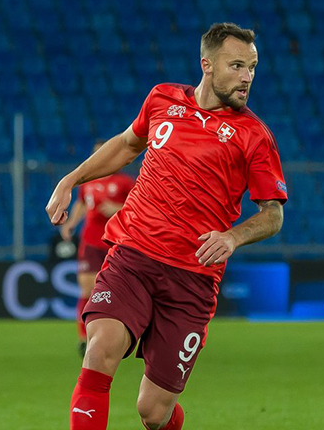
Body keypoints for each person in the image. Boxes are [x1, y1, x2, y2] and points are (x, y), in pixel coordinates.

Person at [45, 22, 287, 430]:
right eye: (237, 66)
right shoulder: (162, 99)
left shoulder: (254, 136)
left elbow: (273, 213)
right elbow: (127, 145)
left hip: (192, 279)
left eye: (252, 67)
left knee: (153, 412)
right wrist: (71, 179)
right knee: (99, 350)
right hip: (133, 257)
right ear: (207, 65)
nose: (247, 77)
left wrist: (233, 236)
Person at [59, 140, 136, 357]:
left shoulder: (124, 182)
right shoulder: (88, 182)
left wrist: (118, 207)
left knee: (120, 291)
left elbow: (140, 207)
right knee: (87, 289)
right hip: (91, 241)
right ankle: (84, 338)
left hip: (117, 241)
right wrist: (72, 223)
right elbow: (82, 203)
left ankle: (119, 336)